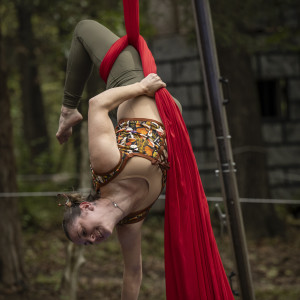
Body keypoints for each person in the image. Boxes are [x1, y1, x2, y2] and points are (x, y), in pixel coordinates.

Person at [56, 20, 181, 300]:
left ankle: (66, 111)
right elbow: (133, 273)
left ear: (86, 207)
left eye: (84, 232)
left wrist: (140, 86)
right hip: (171, 112)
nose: (91, 240)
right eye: (86, 242)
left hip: (132, 79)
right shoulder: (131, 221)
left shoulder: (107, 168)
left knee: (82, 29)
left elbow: (97, 105)